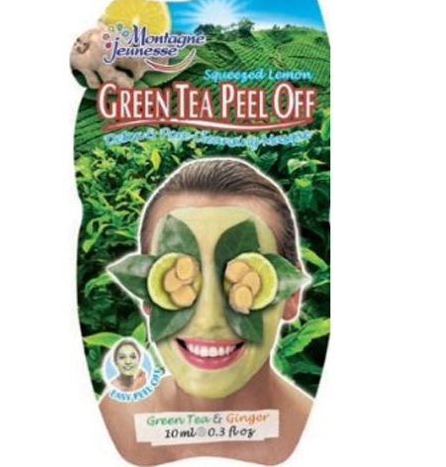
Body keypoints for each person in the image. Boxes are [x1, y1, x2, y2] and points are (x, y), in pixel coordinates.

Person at [100, 158, 313, 465]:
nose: (209, 319)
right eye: (176, 276)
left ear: (292, 294)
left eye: (243, 280)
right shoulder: (115, 416)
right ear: (148, 293)